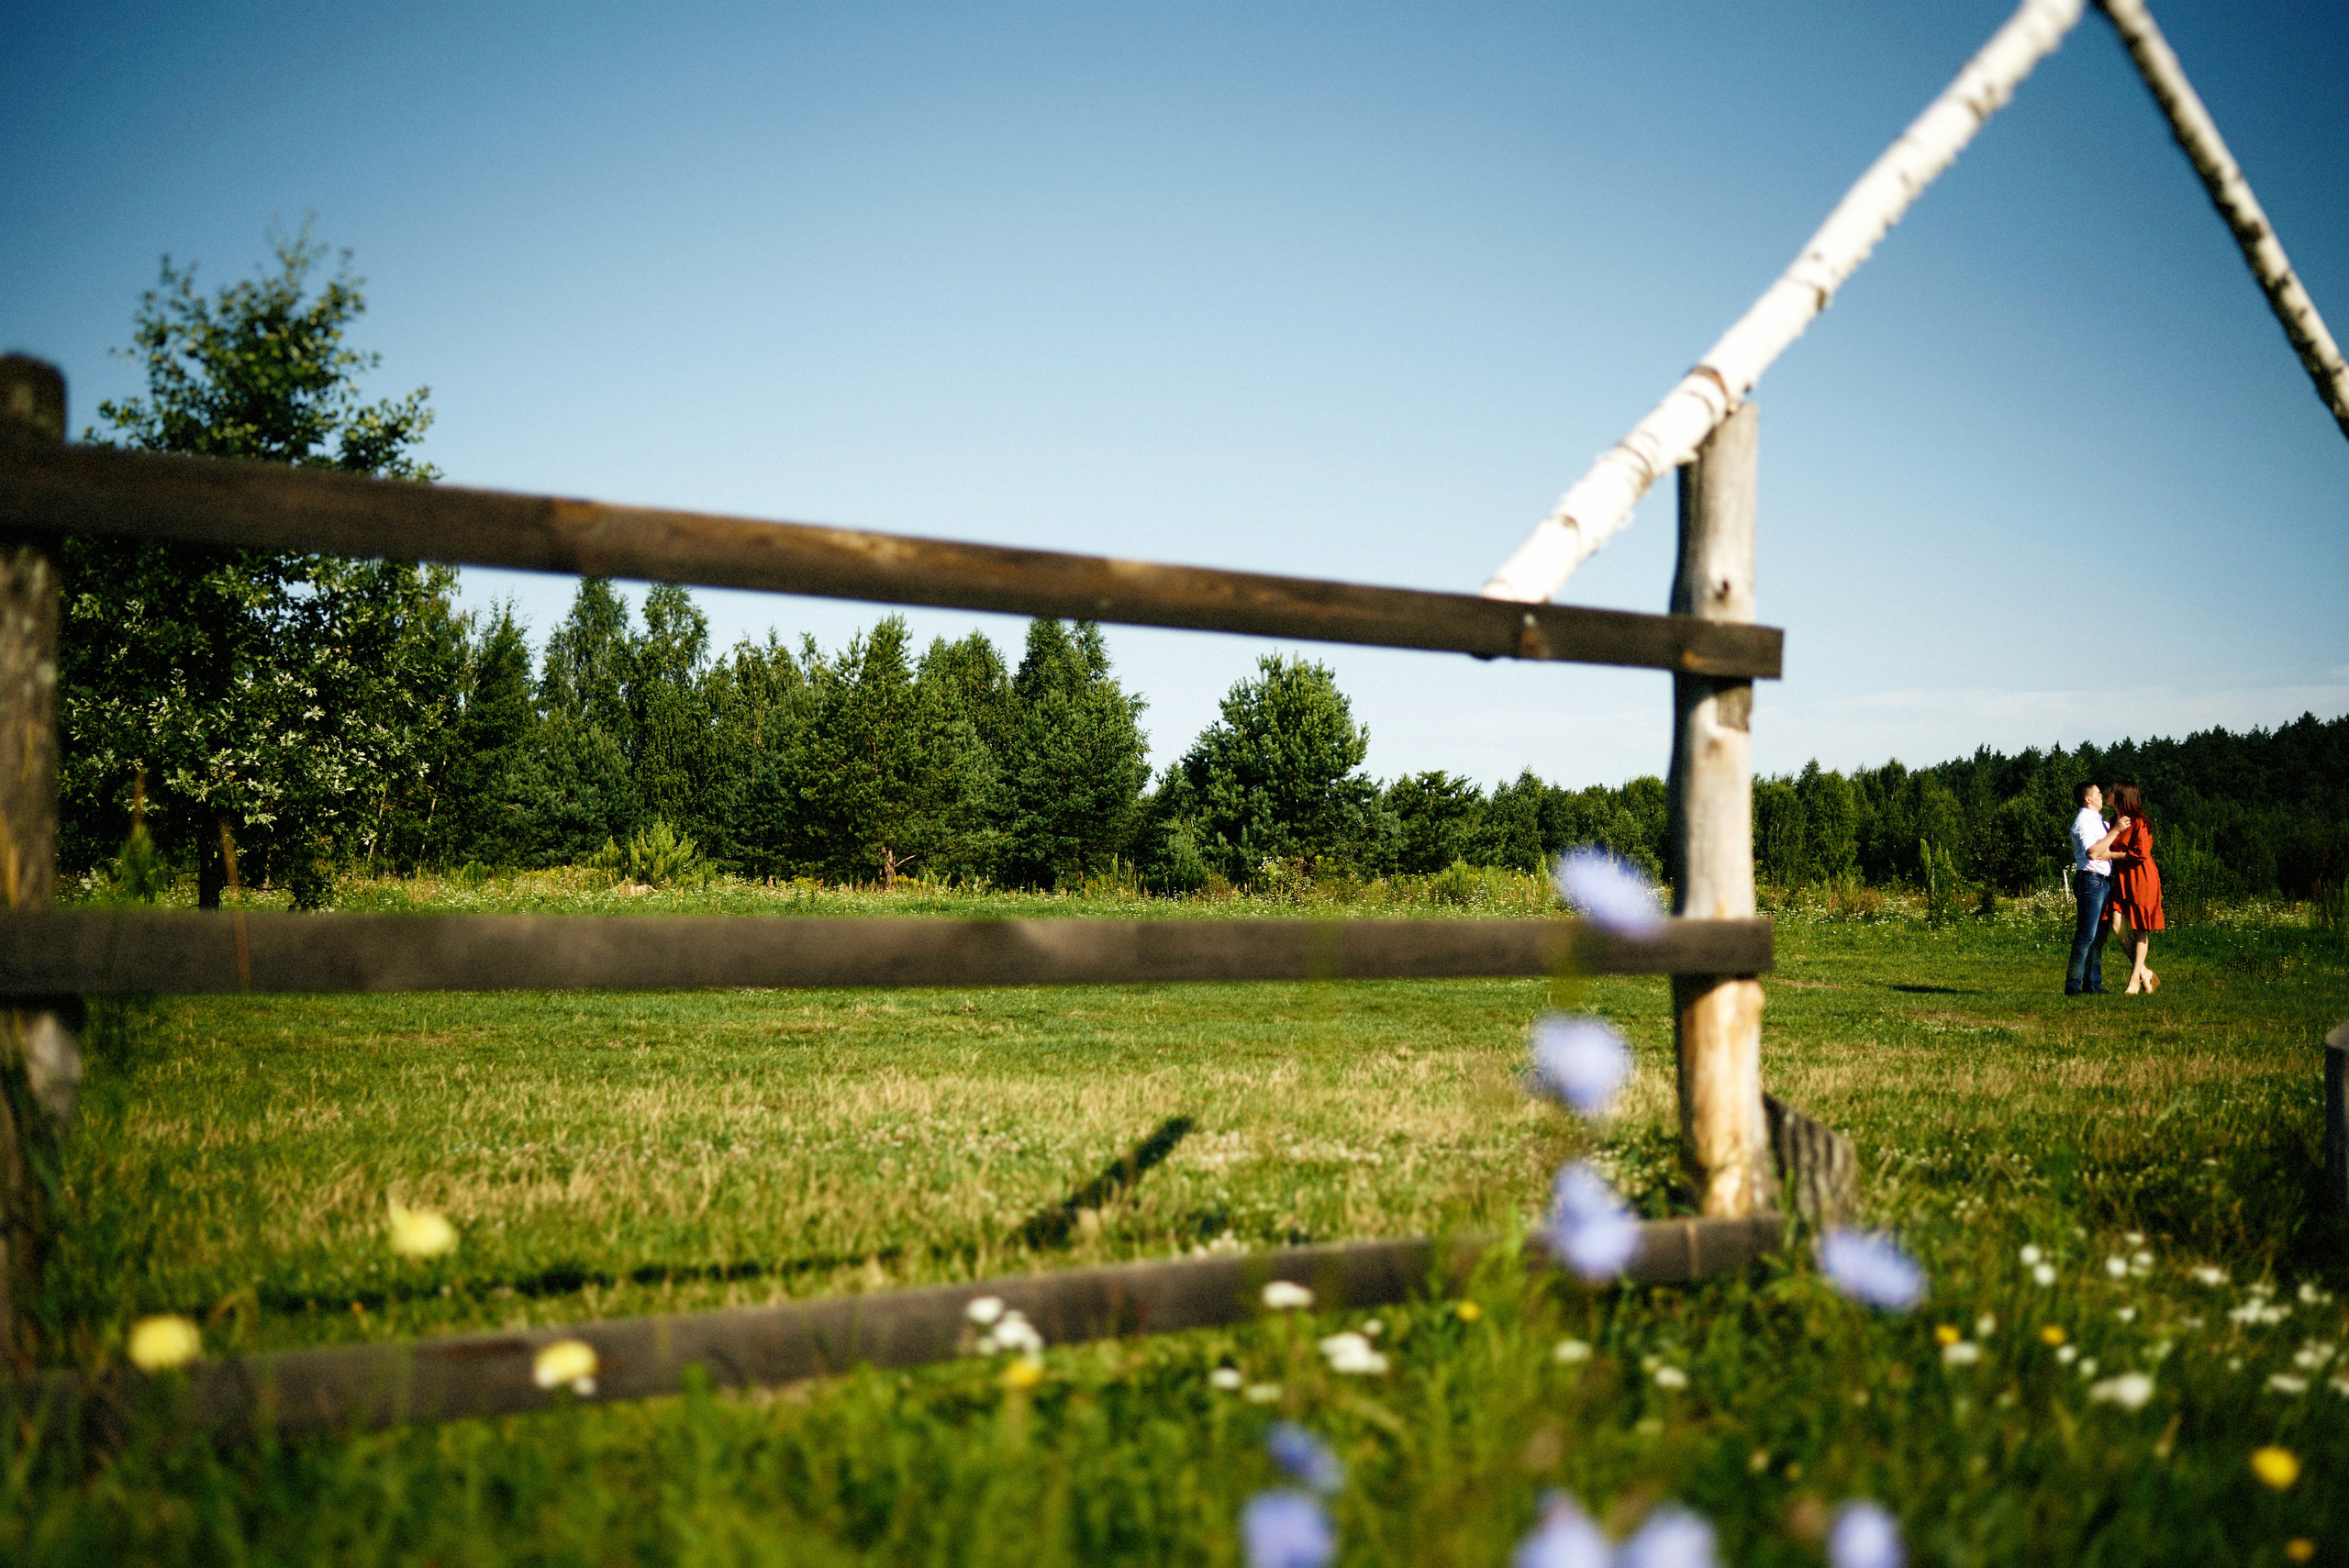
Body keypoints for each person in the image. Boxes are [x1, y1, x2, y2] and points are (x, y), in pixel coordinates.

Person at [2106, 781, 2164, 994]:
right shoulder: (2113, 821)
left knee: (2139, 929)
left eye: (2111, 790)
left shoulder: (2139, 822)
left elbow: (2141, 854)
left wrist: (2112, 855)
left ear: (2122, 796)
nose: (2108, 793)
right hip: (2122, 878)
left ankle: (2133, 981)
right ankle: (2145, 973)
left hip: (2141, 877)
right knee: (2117, 926)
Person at [2066, 781, 2123, 995]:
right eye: (2099, 793)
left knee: (2098, 936)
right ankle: (2073, 985)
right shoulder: (2084, 821)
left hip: (2102, 881)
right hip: (2090, 880)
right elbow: (2092, 852)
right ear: (2088, 799)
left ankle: (2093, 984)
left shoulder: (2097, 821)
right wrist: (2116, 830)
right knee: (2087, 935)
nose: (2102, 796)